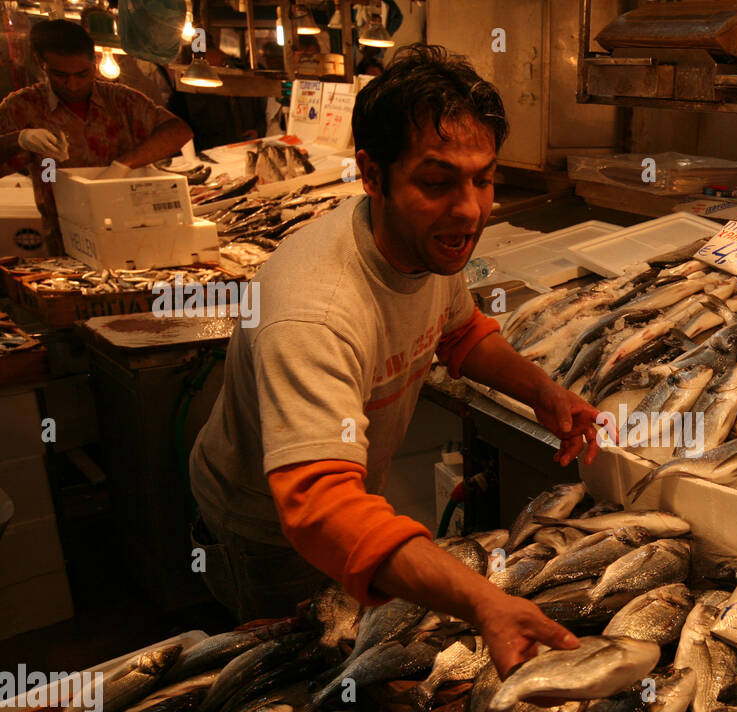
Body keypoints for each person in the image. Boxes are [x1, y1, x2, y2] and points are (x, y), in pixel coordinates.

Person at [188, 44, 602, 677]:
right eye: (436, 183)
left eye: (484, 179)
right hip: (268, 525)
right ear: (371, 175)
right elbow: (320, 506)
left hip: (343, 491)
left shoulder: (427, 243)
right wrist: (484, 601)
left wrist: (543, 392)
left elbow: (459, 332)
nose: (469, 210)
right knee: (295, 681)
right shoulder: (315, 309)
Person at [0, 19, 192, 254]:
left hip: (132, 227)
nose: (72, 84)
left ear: (94, 62)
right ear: (42, 63)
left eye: (82, 74)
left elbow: (178, 131)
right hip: (65, 236)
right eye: (60, 75)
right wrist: (19, 139)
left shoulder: (121, 101)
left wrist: (123, 165)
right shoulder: (23, 106)